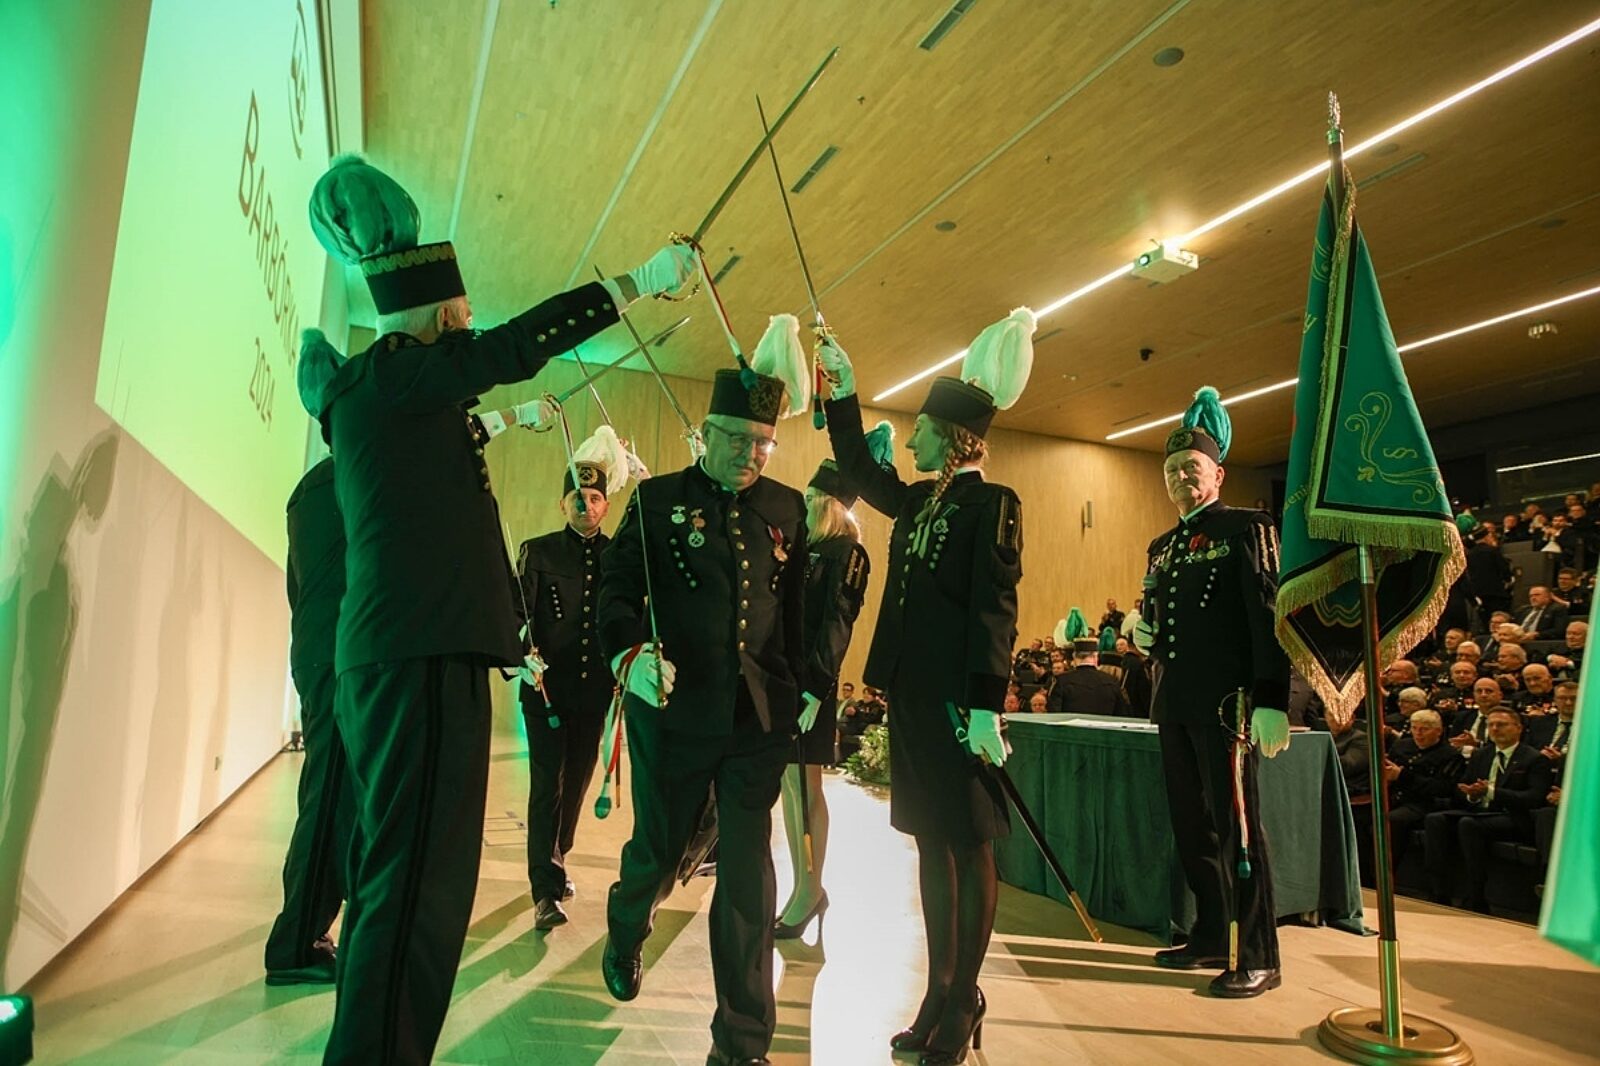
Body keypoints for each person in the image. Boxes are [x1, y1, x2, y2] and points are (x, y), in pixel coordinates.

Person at [303, 154, 696, 1064]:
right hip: (422, 659)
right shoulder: (401, 376)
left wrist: (507, 425)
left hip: (394, 655)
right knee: (419, 886)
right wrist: (636, 282)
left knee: (392, 873)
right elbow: (518, 344)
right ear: (438, 319)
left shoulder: (375, 395)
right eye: (463, 311)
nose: (471, 320)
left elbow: (449, 464)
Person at [597, 316, 815, 1066]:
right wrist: (629, 655)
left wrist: (806, 689)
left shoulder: (787, 508)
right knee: (660, 852)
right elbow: (616, 591)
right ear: (708, 433)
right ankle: (628, 925)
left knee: (749, 876)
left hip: (756, 719)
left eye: (765, 444)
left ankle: (742, 1042)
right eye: (740, 440)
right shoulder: (657, 501)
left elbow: (795, 612)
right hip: (674, 712)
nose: (753, 455)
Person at [818, 308, 1034, 1064]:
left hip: (957, 706)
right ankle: (940, 992)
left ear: (955, 437)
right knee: (929, 845)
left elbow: (994, 609)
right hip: (912, 697)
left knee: (967, 844)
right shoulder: (917, 501)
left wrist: (986, 704)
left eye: (922, 433)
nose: (910, 444)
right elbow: (856, 464)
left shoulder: (993, 504)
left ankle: (963, 998)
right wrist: (842, 390)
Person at [1134, 386, 1290, 998]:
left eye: (1191, 467)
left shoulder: (1248, 528)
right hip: (1173, 701)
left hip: (1229, 706)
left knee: (1238, 831)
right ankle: (1209, 933)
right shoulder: (1163, 546)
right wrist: (1145, 636)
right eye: (1172, 469)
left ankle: (1258, 953)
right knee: (1192, 827)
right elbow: (1166, 620)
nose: (1180, 476)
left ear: (1217, 473)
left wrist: (1273, 698)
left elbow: (1268, 616)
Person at [513, 426, 635, 932]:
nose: (586, 505)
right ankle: (544, 890)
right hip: (546, 690)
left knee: (578, 782)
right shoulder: (538, 552)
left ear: (606, 505)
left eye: (595, 497)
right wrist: (522, 654)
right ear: (562, 504)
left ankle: (557, 857)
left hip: (594, 692)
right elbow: (515, 615)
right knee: (548, 785)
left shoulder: (620, 556)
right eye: (577, 497)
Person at [264, 336, 356, 987]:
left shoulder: (309, 488)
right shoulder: (353, 479)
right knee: (329, 802)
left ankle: (306, 931)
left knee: (329, 795)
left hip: (321, 655)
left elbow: (298, 588)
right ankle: (295, 944)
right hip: (343, 659)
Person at [774, 454, 876, 939]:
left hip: (812, 685)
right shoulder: (805, 548)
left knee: (806, 784)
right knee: (790, 787)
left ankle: (810, 889)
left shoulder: (847, 553)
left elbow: (838, 623)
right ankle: (804, 886)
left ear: (832, 505)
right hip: (785, 681)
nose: (806, 503)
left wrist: (816, 688)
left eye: (814, 497)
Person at [1422, 709, 1554, 912]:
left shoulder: (1534, 759)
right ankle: (1438, 891)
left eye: (1501, 724)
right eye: (1491, 725)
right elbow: (1461, 788)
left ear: (1518, 728)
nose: (1495, 729)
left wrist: (1491, 792)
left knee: (1469, 824)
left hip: (1513, 816)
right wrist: (1472, 795)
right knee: (1435, 820)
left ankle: (1476, 896)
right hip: (1480, 811)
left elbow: (1534, 798)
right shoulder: (1482, 755)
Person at [1382, 709, 1462, 868]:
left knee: (1390, 821)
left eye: (1424, 729)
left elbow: (1443, 789)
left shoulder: (1450, 755)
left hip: (1423, 803)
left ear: (1438, 731)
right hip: (1393, 796)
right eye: (1414, 728)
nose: (1418, 733)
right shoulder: (1401, 745)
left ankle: (1388, 871)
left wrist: (1402, 776)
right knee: (1362, 814)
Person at [1049, 638, 1131, 716]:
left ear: (1074, 657)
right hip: (1102, 726)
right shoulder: (1111, 681)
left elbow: (1053, 714)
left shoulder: (1062, 681)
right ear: (1096, 657)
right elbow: (1122, 714)